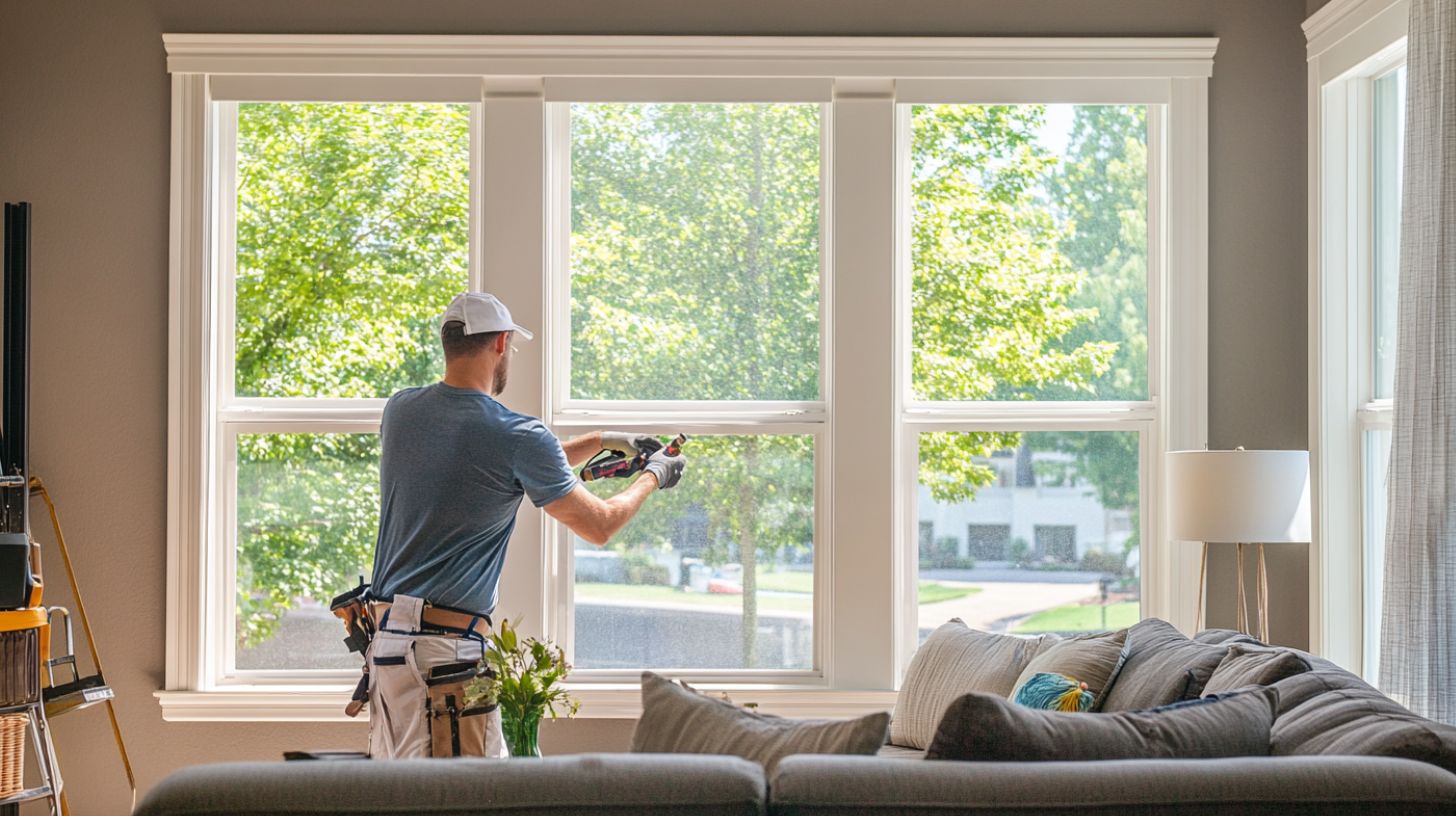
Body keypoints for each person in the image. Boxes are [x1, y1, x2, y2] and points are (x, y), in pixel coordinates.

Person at [364, 291, 685, 759]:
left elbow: (497, 460)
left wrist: (605, 440)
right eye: (511, 348)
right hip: (445, 660)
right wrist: (655, 474)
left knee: (402, 796)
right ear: (500, 343)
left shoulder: (402, 412)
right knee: (470, 804)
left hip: (389, 650)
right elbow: (600, 525)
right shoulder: (516, 436)